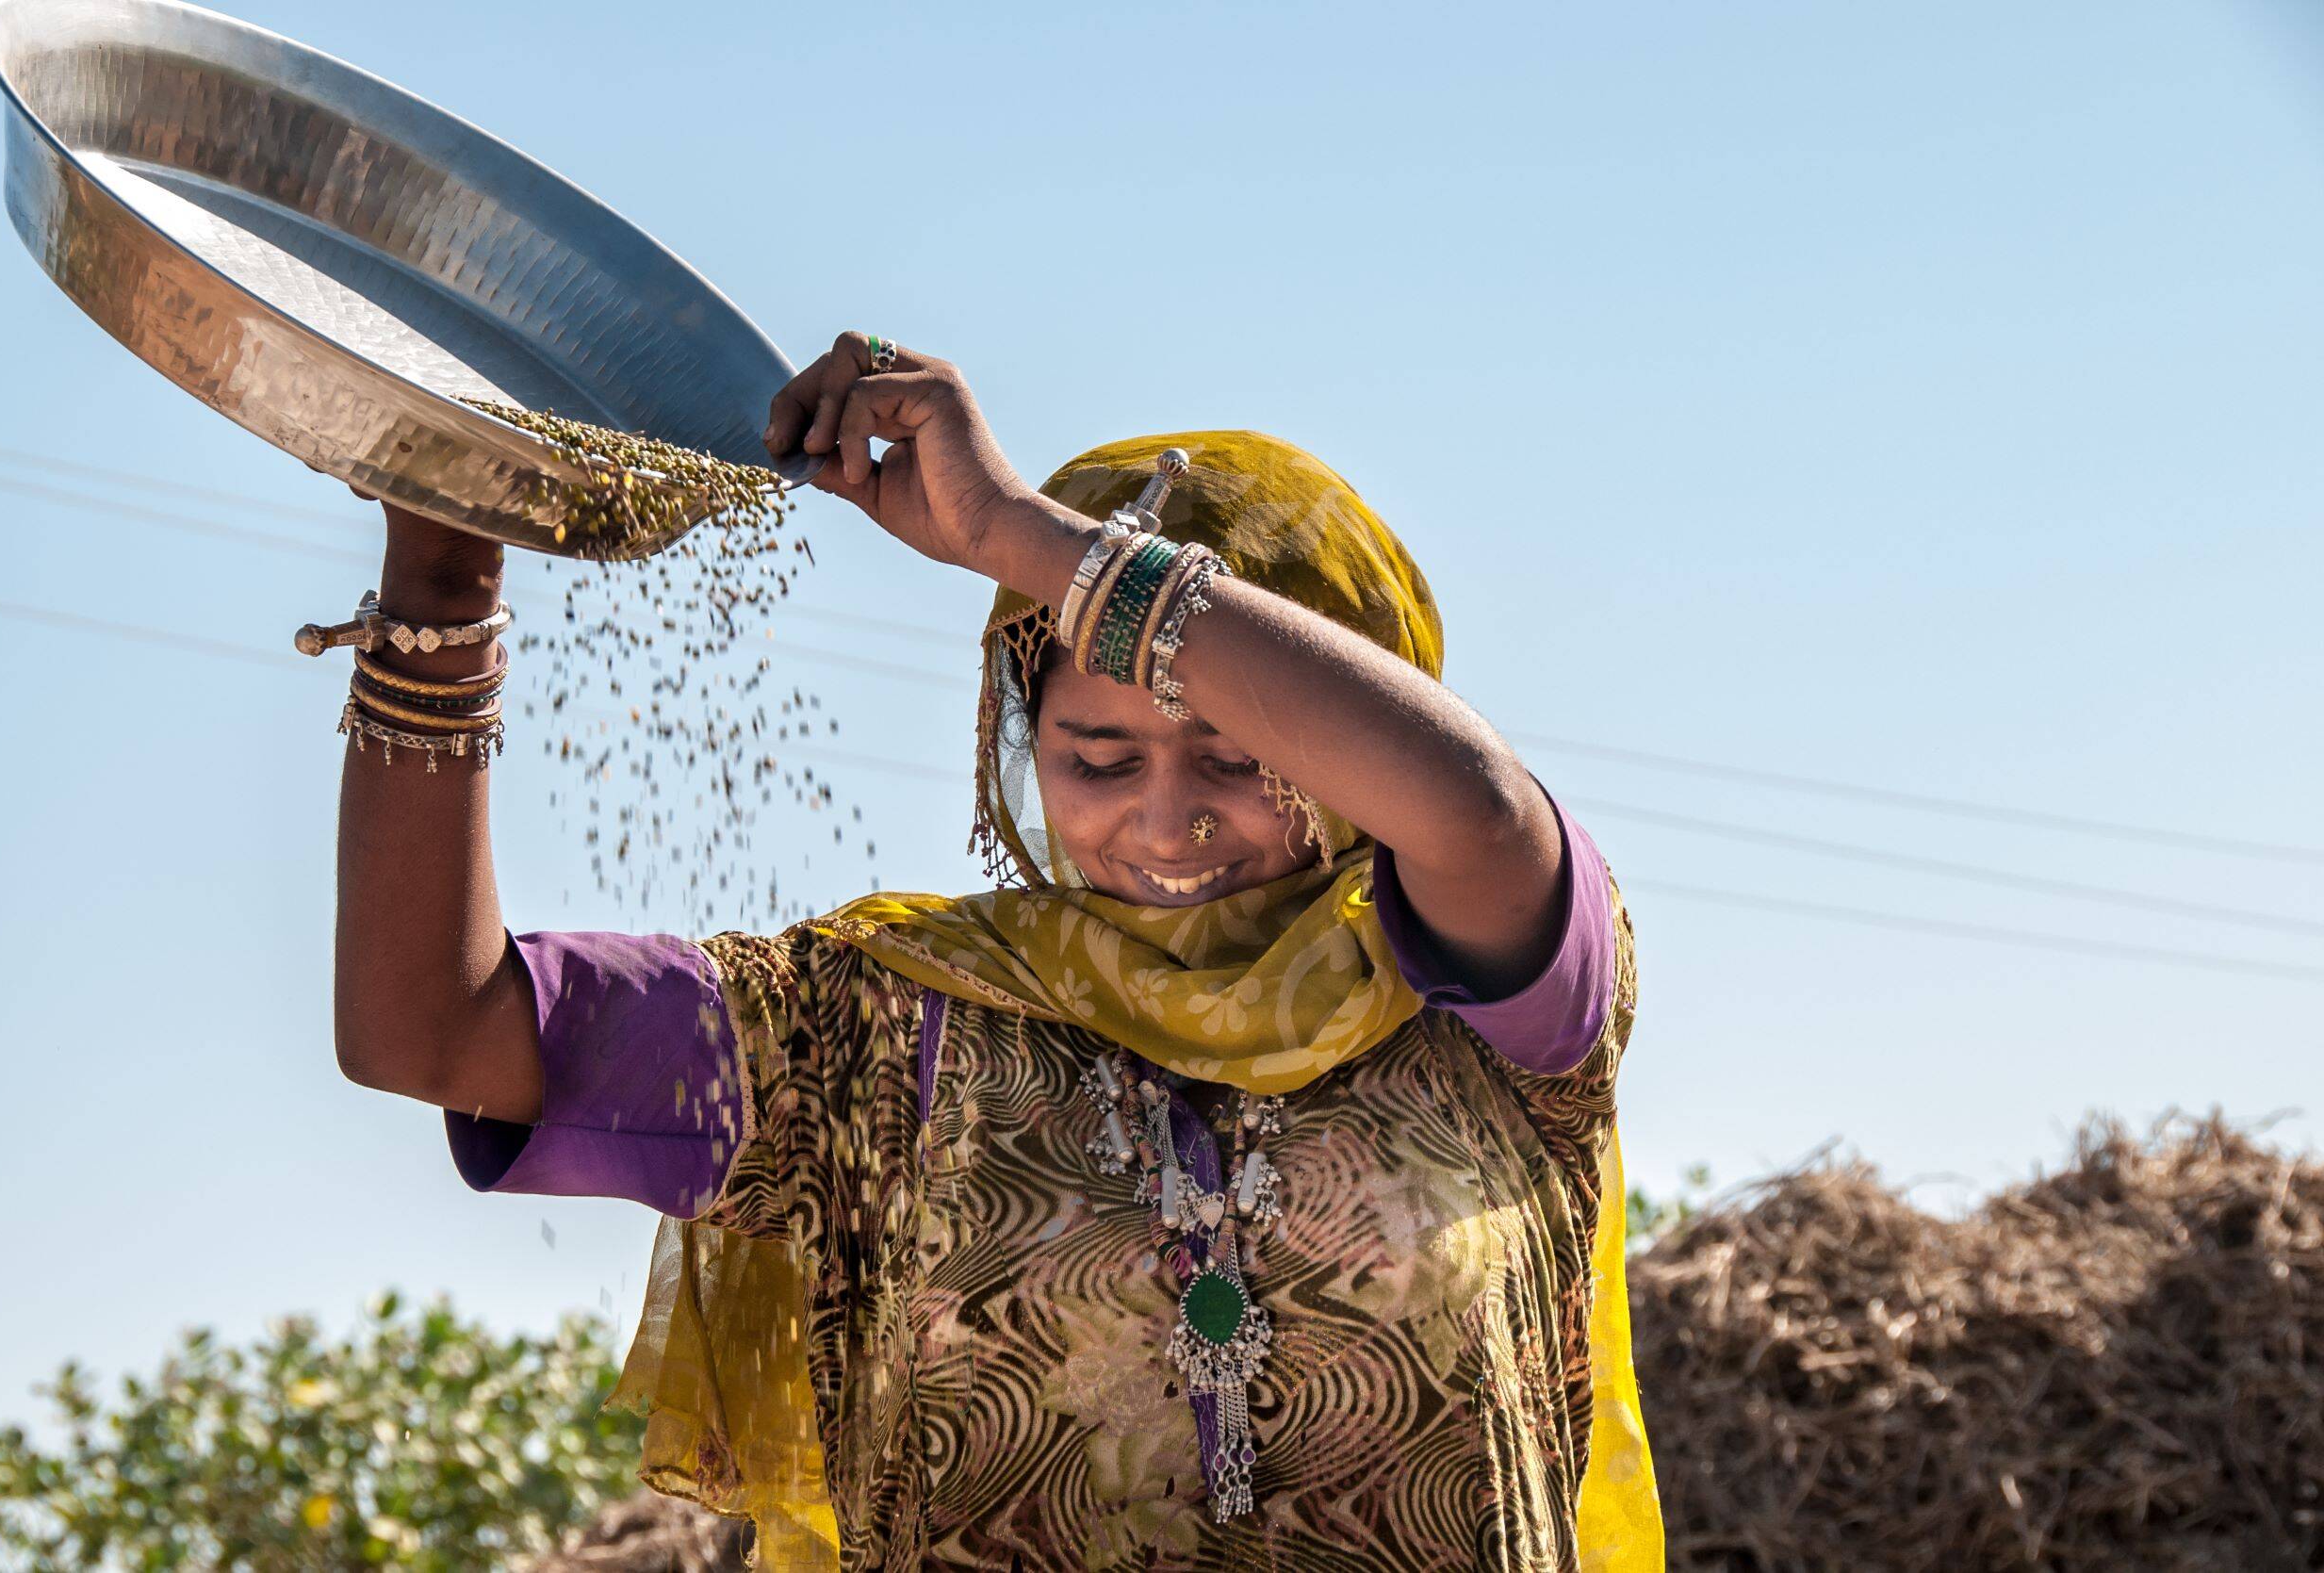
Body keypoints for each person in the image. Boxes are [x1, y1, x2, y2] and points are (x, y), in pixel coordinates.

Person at [331, 333, 1663, 1571]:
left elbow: (1479, 810)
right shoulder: (874, 1035)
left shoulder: (1493, 997)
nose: (1164, 817)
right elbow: (431, 1029)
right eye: (1097, 754)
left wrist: (1020, 538)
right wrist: (442, 586)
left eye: (1237, 757)